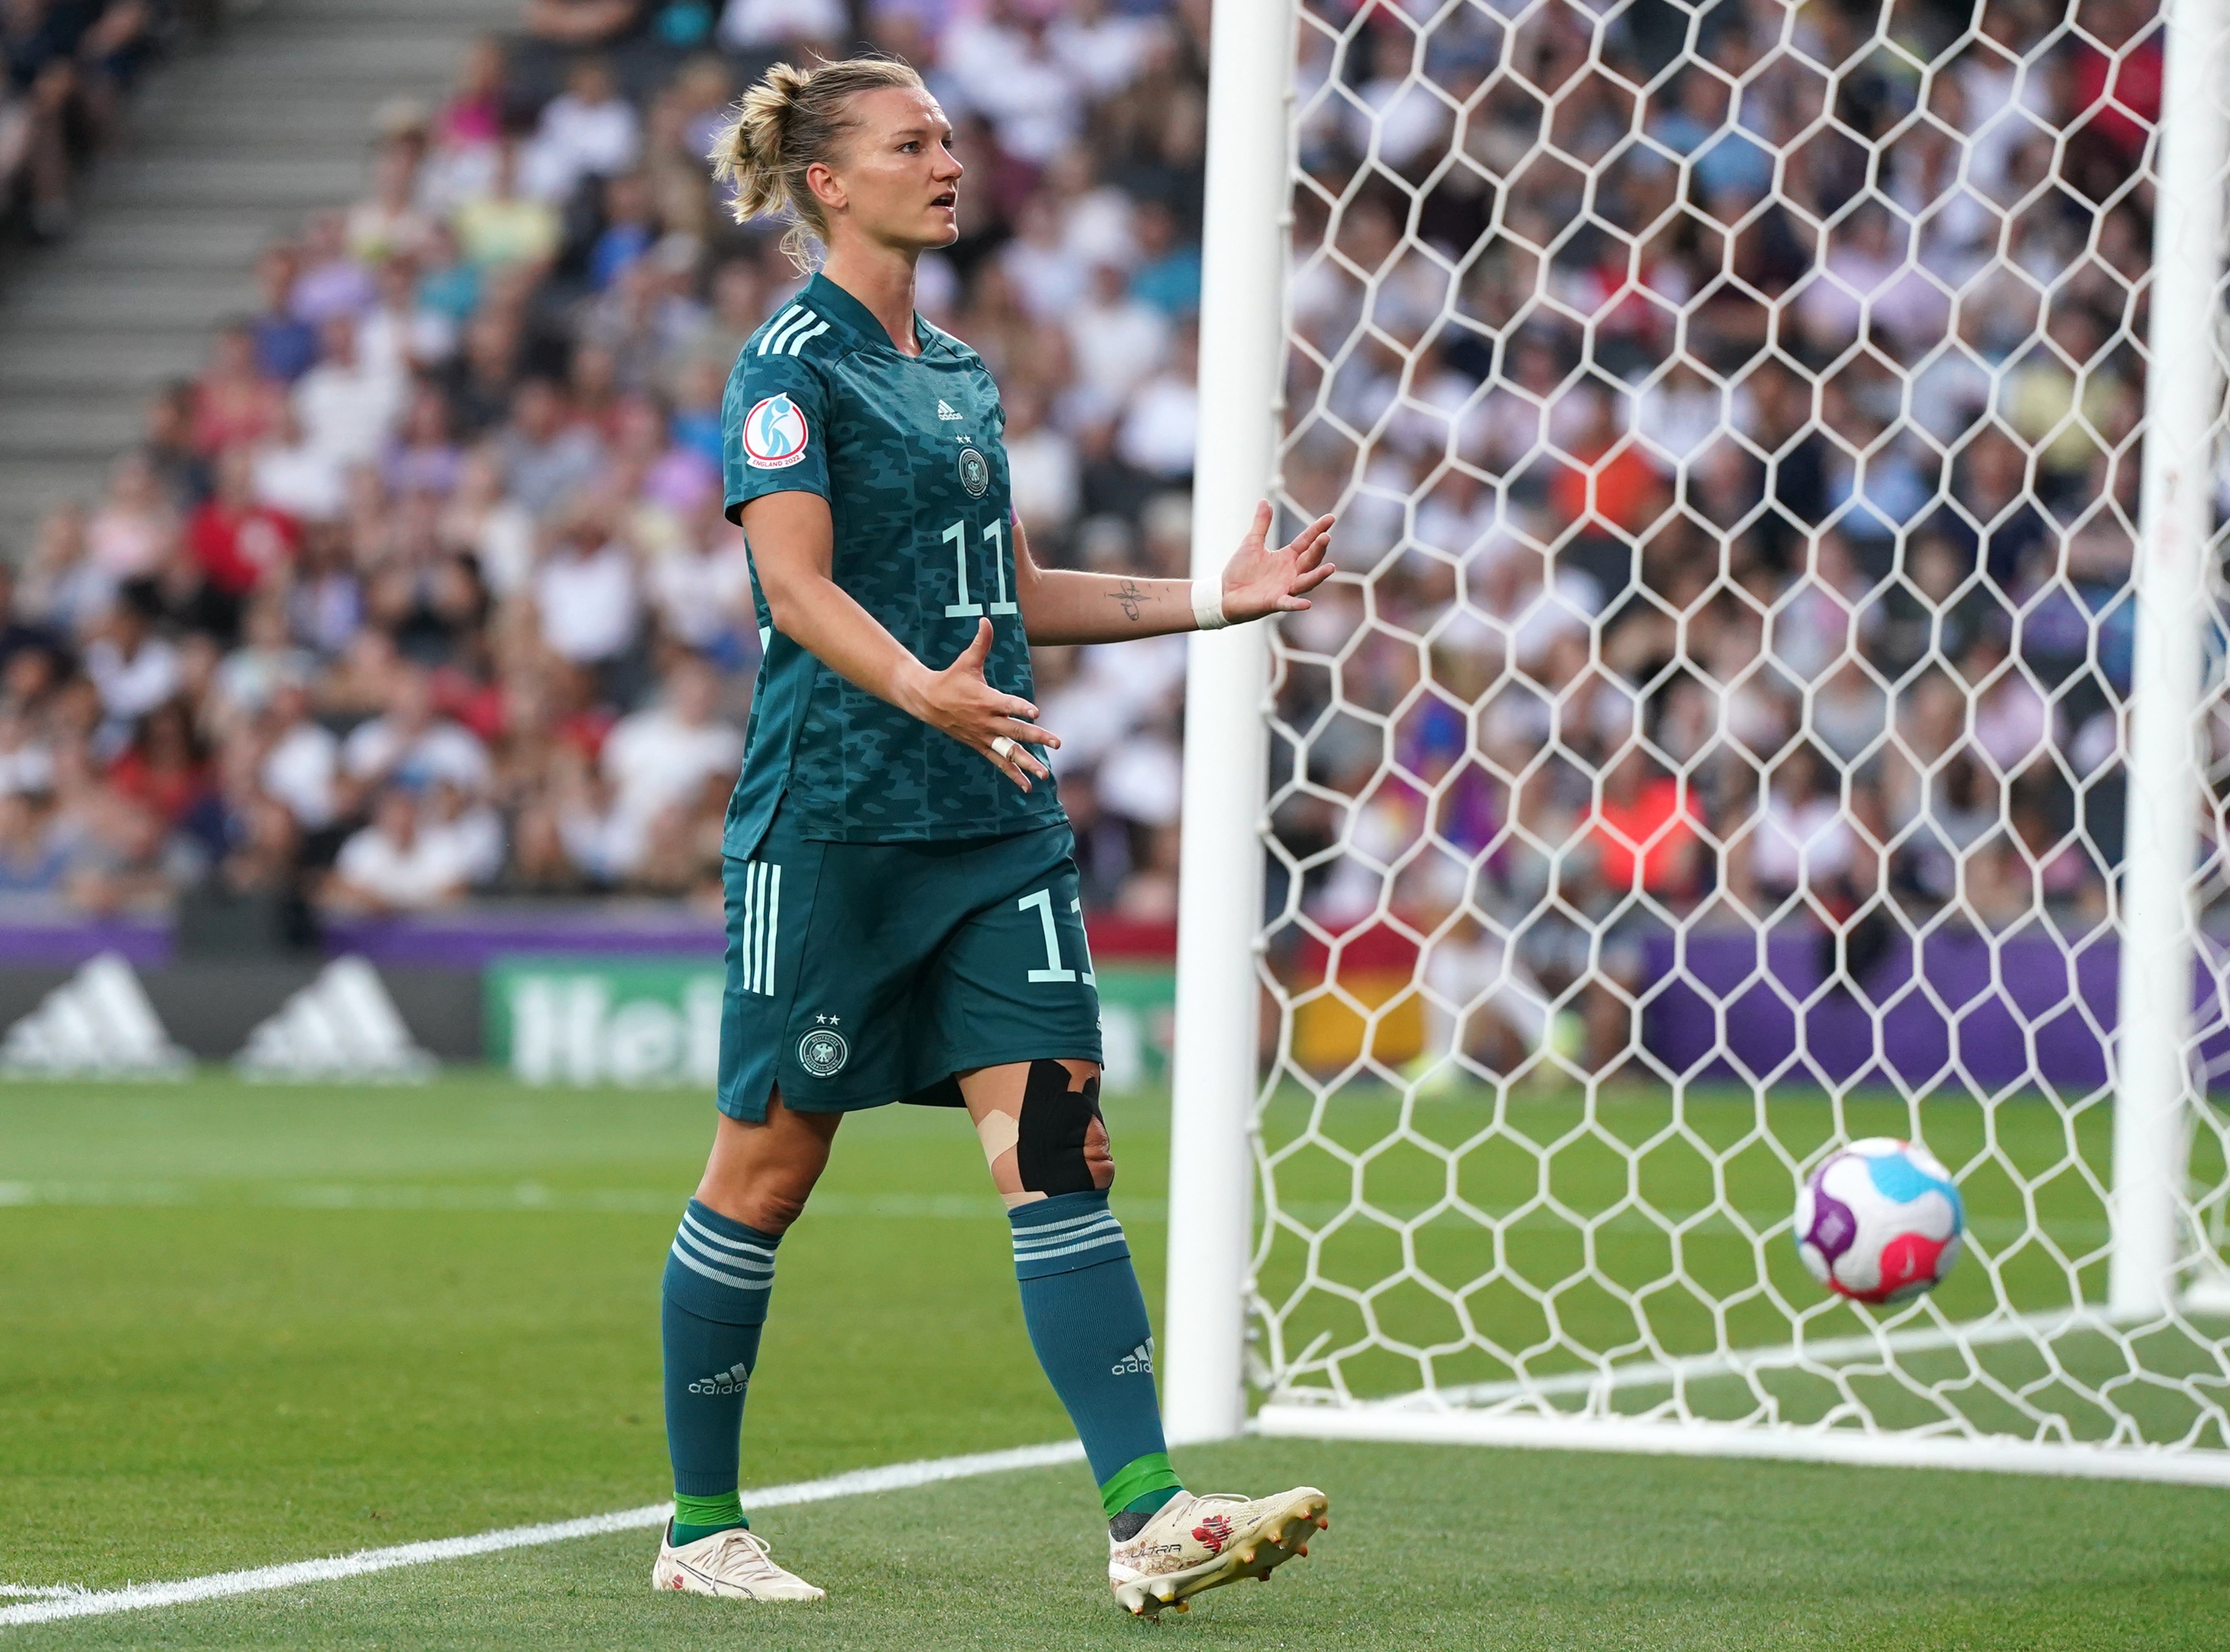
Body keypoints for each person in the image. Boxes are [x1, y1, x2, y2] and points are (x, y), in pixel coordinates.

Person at [650, 55, 1337, 1617]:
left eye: (953, 137)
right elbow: (796, 591)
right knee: (765, 1174)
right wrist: (925, 694)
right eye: (914, 143)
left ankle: (1150, 1515)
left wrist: (1217, 599)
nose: (949, 161)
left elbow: (1010, 605)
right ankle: (700, 1524)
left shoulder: (960, 372)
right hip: (835, 831)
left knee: (1057, 1155)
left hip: (994, 832)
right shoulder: (789, 366)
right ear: (829, 182)